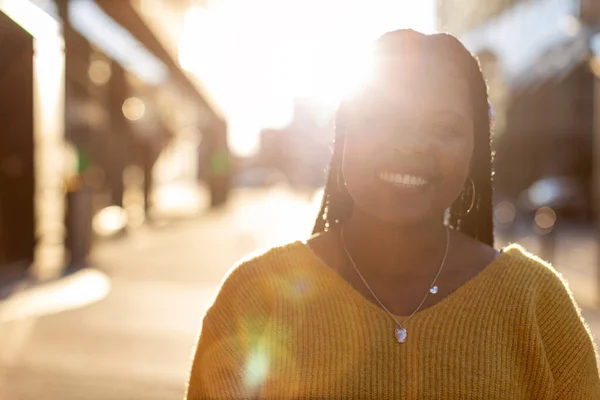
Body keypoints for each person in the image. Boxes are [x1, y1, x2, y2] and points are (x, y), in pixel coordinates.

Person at [185, 30, 600, 399]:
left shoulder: (537, 305)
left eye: (444, 128)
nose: (410, 146)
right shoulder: (255, 295)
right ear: (343, 134)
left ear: (476, 150)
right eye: (381, 118)